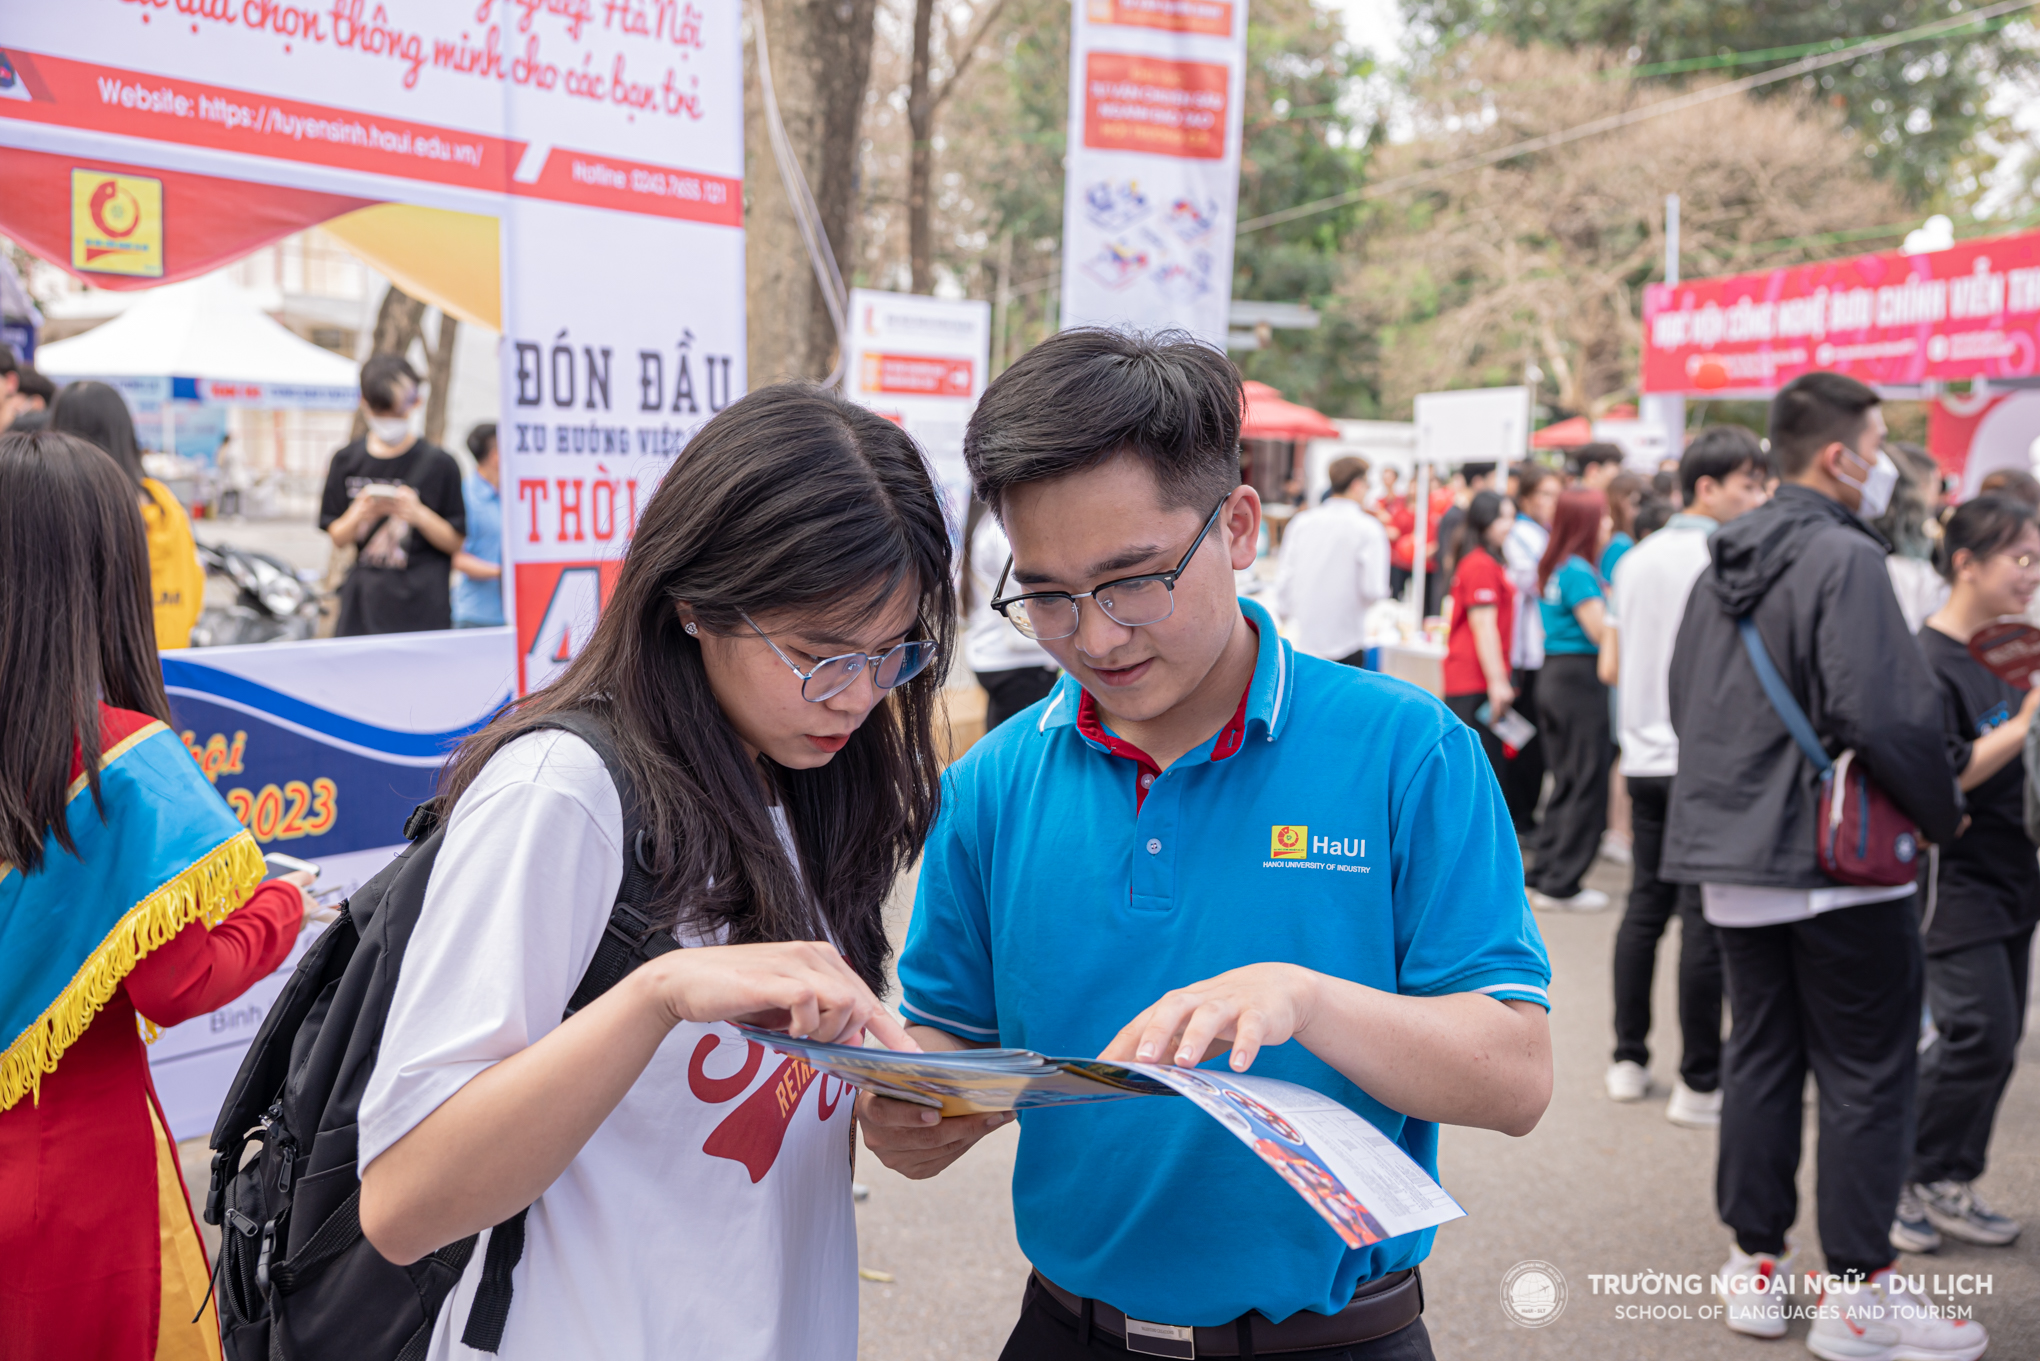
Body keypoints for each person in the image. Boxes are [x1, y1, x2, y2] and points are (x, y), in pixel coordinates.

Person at [860, 330, 1554, 1361]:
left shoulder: (1408, 750)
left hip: (1336, 1340)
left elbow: (1516, 1076)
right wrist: (899, 1098)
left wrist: (1307, 997)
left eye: (1134, 579)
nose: (1094, 637)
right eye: (1046, 593)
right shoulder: (990, 787)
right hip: (1067, 1331)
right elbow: (954, 1049)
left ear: (1237, 525)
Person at [354, 385, 946, 1361]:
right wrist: (656, 996)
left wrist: (890, 1099)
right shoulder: (564, 793)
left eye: (891, 654)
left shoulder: (808, 779)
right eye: (815, 653)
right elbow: (406, 1199)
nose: (854, 694)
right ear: (691, 602)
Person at [1663, 372, 1980, 1358]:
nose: (1888, 461)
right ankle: (1859, 1296)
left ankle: (1757, 1264)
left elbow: (1688, 698)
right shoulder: (1846, 557)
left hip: (1734, 856)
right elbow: (1886, 711)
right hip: (1841, 861)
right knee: (1867, 1072)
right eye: (1880, 441)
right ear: (1840, 455)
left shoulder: (1722, 559)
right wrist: (1942, 811)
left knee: (1762, 1057)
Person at [0, 429, 315, 1360]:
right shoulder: (126, 765)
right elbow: (177, 984)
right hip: (85, 1183)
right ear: (107, 576)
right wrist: (280, 909)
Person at [1596, 426, 1770, 1120]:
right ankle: (1700, 1078)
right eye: (1748, 484)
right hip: (1707, 758)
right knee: (1702, 917)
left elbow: (1616, 658)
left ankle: (1628, 1057)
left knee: (1644, 909)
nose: (1757, 497)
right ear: (1707, 486)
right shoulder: (1728, 553)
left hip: (1642, 754)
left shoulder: (1635, 558)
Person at [1889, 495, 2040, 1258]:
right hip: (1956, 881)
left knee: (2002, 1034)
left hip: (2016, 871)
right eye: (2021, 559)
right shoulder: (1927, 660)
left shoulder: (2012, 649)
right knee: (1974, 1028)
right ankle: (1898, 1175)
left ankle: (1947, 1173)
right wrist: (2023, 726)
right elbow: (1942, 781)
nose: (2032, 576)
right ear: (1966, 564)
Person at [49, 380, 204, 650]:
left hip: (104, 672)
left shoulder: (75, 505)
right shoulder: (163, 500)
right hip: (171, 658)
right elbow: (194, 581)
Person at [318, 356, 465, 636]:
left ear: (415, 403)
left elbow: (455, 541)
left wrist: (419, 515)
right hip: (362, 611)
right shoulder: (345, 460)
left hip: (424, 612)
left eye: (397, 412)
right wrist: (358, 514)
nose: (388, 421)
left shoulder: (441, 464)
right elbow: (337, 535)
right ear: (365, 403)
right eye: (381, 411)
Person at [1525, 489, 1613, 911]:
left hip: (1554, 673)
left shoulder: (1556, 567)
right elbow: (1599, 630)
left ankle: (1546, 870)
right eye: (1605, 517)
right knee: (1585, 779)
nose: (1610, 525)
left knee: (1565, 778)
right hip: (1580, 678)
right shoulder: (1579, 572)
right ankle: (1563, 883)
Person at [1275, 455, 1392, 666]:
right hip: (1347, 642)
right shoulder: (1368, 529)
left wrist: (1285, 615)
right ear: (1357, 485)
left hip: (1303, 641)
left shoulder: (1302, 523)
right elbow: (1373, 589)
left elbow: (1284, 577)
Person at [1499, 465, 1559, 833]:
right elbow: (1537, 580)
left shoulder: (1541, 533)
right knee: (1523, 741)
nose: (1551, 503)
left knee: (1533, 741)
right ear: (1526, 498)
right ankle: (1519, 817)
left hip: (1538, 650)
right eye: (1545, 495)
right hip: (1525, 652)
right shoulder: (1521, 535)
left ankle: (1525, 815)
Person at [1441, 490, 1518, 777]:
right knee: (1478, 769)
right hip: (1474, 678)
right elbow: (1483, 627)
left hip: (1475, 677)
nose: (1509, 525)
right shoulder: (1480, 564)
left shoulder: (1484, 560)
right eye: (1503, 517)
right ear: (1485, 520)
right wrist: (1498, 682)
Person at [965, 499, 1061, 729]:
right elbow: (1027, 584)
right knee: (1022, 748)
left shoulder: (985, 523)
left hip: (1000, 657)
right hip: (1017, 661)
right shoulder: (1002, 528)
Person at [452, 422, 505, 628]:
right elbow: (456, 557)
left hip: (515, 614)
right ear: (495, 456)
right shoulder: (465, 495)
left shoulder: (516, 494)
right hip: (476, 616)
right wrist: (501, 573)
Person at [1434, 461, 1496, 586]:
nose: (1495, 483)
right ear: (1478, 481)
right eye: (1492, 478)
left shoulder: (1469, 512)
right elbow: (1448, 561)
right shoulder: (1456, 514)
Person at [1601, 472, 1647, 580]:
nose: (1640, 510)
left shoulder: (1621, 539)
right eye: (1636, 503)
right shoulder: (1620, 543)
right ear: (1621, 501)